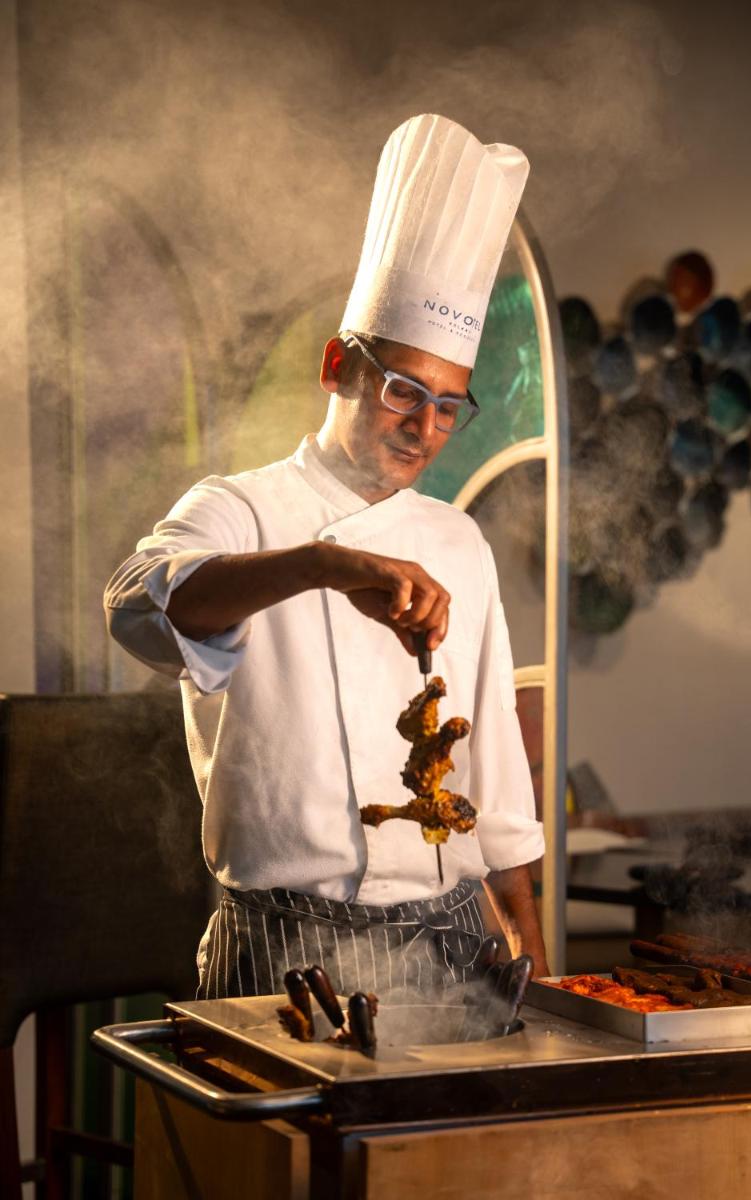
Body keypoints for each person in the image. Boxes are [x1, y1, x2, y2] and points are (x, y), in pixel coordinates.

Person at [104, 113, 549, 999]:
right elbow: (138, 608)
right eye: (402, 390)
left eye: (447, 406)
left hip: (455, 944)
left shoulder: (458, 541)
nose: (425, 428)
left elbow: (495, 794)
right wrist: (326, 565)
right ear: (337, 363)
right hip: (283, 947)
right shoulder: (238, 509)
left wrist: (541, 972)